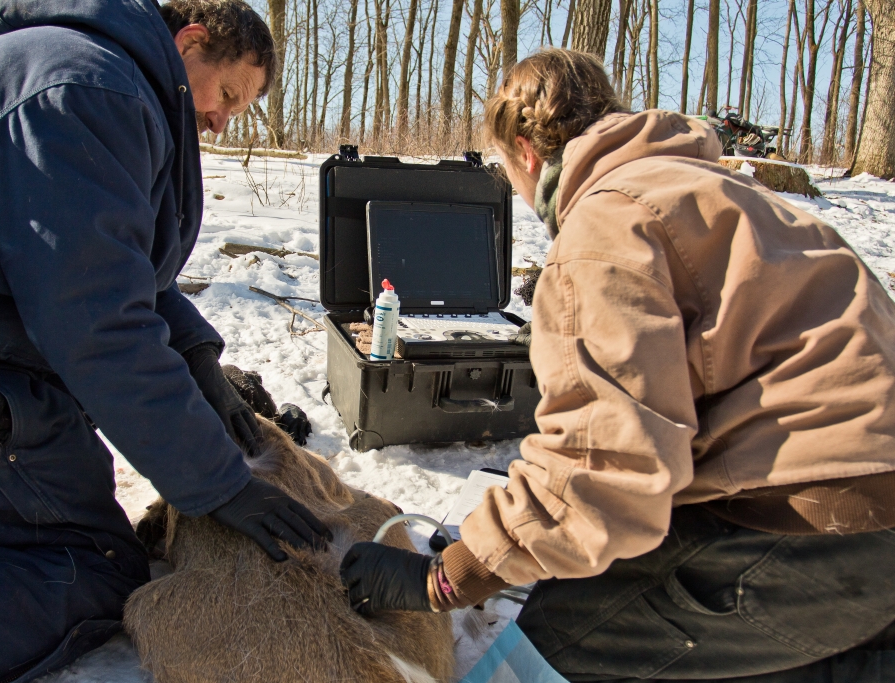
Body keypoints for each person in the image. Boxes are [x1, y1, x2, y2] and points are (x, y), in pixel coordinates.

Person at [340, 48, 895, 682]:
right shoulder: (736, 195)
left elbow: (602, 478)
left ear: (525, 152)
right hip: (866, 528)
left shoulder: (605, 228)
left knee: (544, 653)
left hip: (802, 526)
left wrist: (446, 577)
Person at [0, 0, 331, 680]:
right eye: (227, 94)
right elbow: (95, 321)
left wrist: (198, 357)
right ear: (191, 41)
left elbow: (115, 262)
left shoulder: (83, 69)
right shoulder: (90, 92)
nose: (220, 119)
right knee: (94, 561)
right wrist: (221, 483)